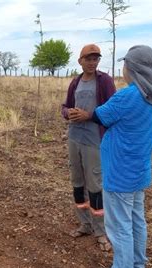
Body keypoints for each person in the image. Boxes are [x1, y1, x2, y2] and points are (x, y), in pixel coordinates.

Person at [75, 45, 152, 268]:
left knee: (119, 227)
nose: (123, 69)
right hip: (139, 172)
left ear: (133, 68)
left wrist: (88, 113)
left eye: (125, 64)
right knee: (137, 221)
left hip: (120, 173)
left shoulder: (129, 96)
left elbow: (101, 116)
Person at [61, 44, 116, 251]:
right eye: (89, 59)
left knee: (95, 185)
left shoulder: (105, 81)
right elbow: (64, 107)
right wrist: (69, 114)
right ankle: (84, 223)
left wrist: (89, 116)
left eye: (96, 59)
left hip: (94, 140)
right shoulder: (75, 82)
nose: (93, 62)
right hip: (74, 137)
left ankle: (100, 231)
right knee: (77, 182)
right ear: (80, 61)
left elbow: (113, 109)